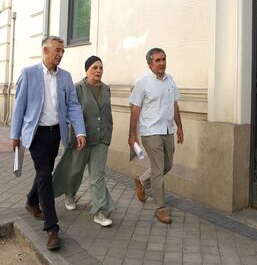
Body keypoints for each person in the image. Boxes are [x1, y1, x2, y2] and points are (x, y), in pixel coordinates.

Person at [10, 36, 86, 250]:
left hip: (55, 134)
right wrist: (15, 136)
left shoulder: (65, 77)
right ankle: (52, 228)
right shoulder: (28, 73)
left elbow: (73, 105)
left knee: (45, 172)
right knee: (44, 175)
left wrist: (79, 130)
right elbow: (19, 107)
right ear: (45, 50)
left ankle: (31, 201)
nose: (61, 54)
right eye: (58, 50)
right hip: (35, 134)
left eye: (63, 51)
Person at [52, 55, 116, 227]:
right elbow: (70, 113)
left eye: (101, 68)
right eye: (95, 67)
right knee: (75, 170)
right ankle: (69, 193)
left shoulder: (106, 89)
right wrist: (72, 135)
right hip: (82, 138)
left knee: (97, 175)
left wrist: (108, 134)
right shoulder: (78, 88)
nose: (98, 71)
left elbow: (107, 114)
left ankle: (100, 211)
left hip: (101, 138)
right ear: (87, 70)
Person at [128, 47, 184, 224]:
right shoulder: (142, 82)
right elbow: (135, 110)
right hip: (150, 131)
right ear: (150, 64)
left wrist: (180, 127)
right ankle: (160, 208)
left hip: (168, 130)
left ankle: (142, 180)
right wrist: (132, 135)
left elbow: (174, 105)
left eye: (164, 59)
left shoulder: (170, 80)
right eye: (158, 60)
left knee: (167, 165)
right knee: (159, 169)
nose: (162, 63)